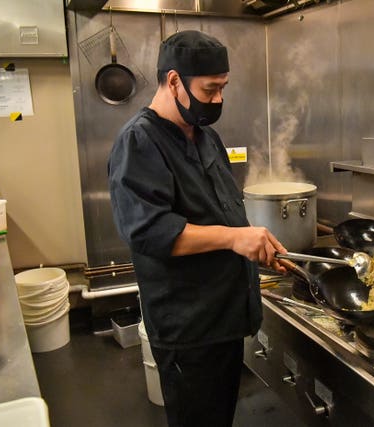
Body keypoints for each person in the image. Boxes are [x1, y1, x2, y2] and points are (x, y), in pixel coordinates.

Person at [107, 30, 287, 427]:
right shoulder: (140, 142)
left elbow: (220, 213)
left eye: (223, 88)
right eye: (210, 90)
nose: (218, 99)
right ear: (174, 81)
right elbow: (150, 231)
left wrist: (256, 246)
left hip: (223, 318)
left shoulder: (207, 137)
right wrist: (236, 238)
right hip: (188, 328)